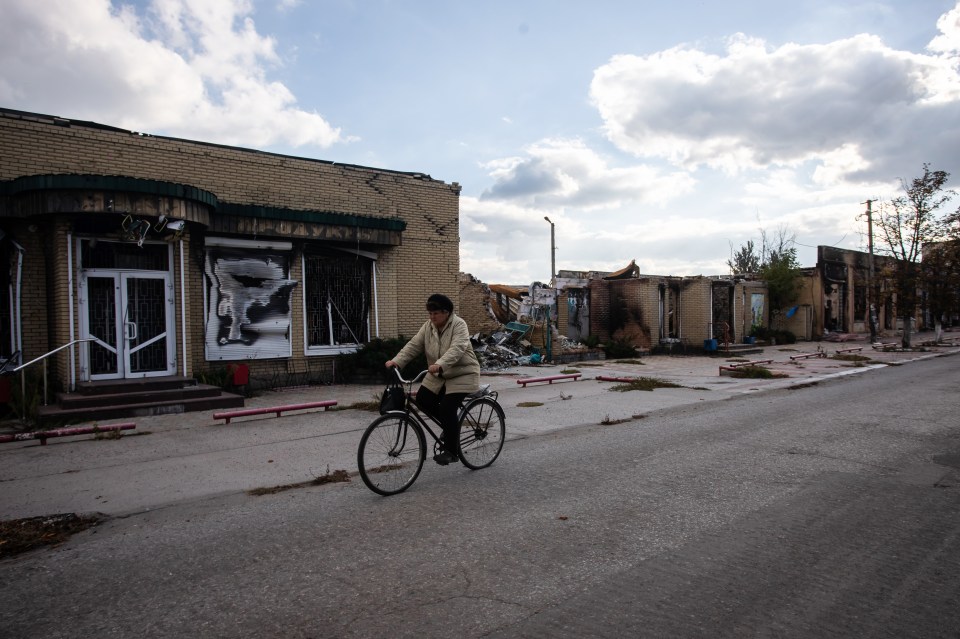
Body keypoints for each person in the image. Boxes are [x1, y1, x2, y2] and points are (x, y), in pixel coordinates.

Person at [385, 293, 480, 465]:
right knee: (422, 400)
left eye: (435, 313)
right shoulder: (428, 326)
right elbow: (414, 345)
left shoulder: (459, 325)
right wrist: (397, 361)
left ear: (446, 313)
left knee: (447, 408)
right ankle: (450, 426)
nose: (432, 317)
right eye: (430, 313)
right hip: (439, 374)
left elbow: (458, 348)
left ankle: (451, 451)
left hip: (462, 373)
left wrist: (440, 364)